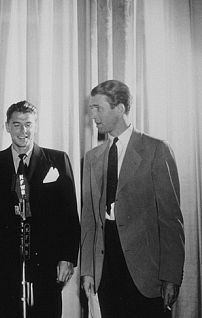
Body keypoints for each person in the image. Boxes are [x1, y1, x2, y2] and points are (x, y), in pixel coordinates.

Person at [80, 80, 185, 318]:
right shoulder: (92, 158)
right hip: (107, 271)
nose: (92, 115)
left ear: (119, 108)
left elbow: (170, 220)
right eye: (91, 108)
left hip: (147, 275)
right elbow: (89, 221)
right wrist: (88, 270)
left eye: (98, 108)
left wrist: (170, 276)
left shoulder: (156, 150)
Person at [0, 101, 80, 317]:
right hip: (5, 263)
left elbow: (69, 214)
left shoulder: (58, 160)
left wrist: (68, 257)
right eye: (17, 125)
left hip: (47, 263)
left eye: (28, 124)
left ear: (36, 126)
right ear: (7, 127)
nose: (24, 131)